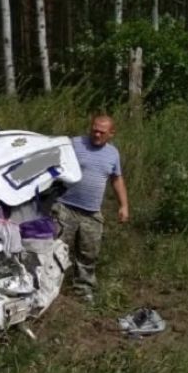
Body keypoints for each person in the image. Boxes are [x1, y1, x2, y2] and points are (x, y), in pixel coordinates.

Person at [52, 115, 130, 302]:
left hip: (91, 212)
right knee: (56, 248)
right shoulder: (74, 144)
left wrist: (124, 205)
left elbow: (116, 179)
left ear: (111, 134)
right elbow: (53, 164)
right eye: (94, 129)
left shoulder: (113, 154)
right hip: (65, 207)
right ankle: (50, 286)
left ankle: (83, 289)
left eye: (101, 132)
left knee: (89, 253)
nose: (96, 134)